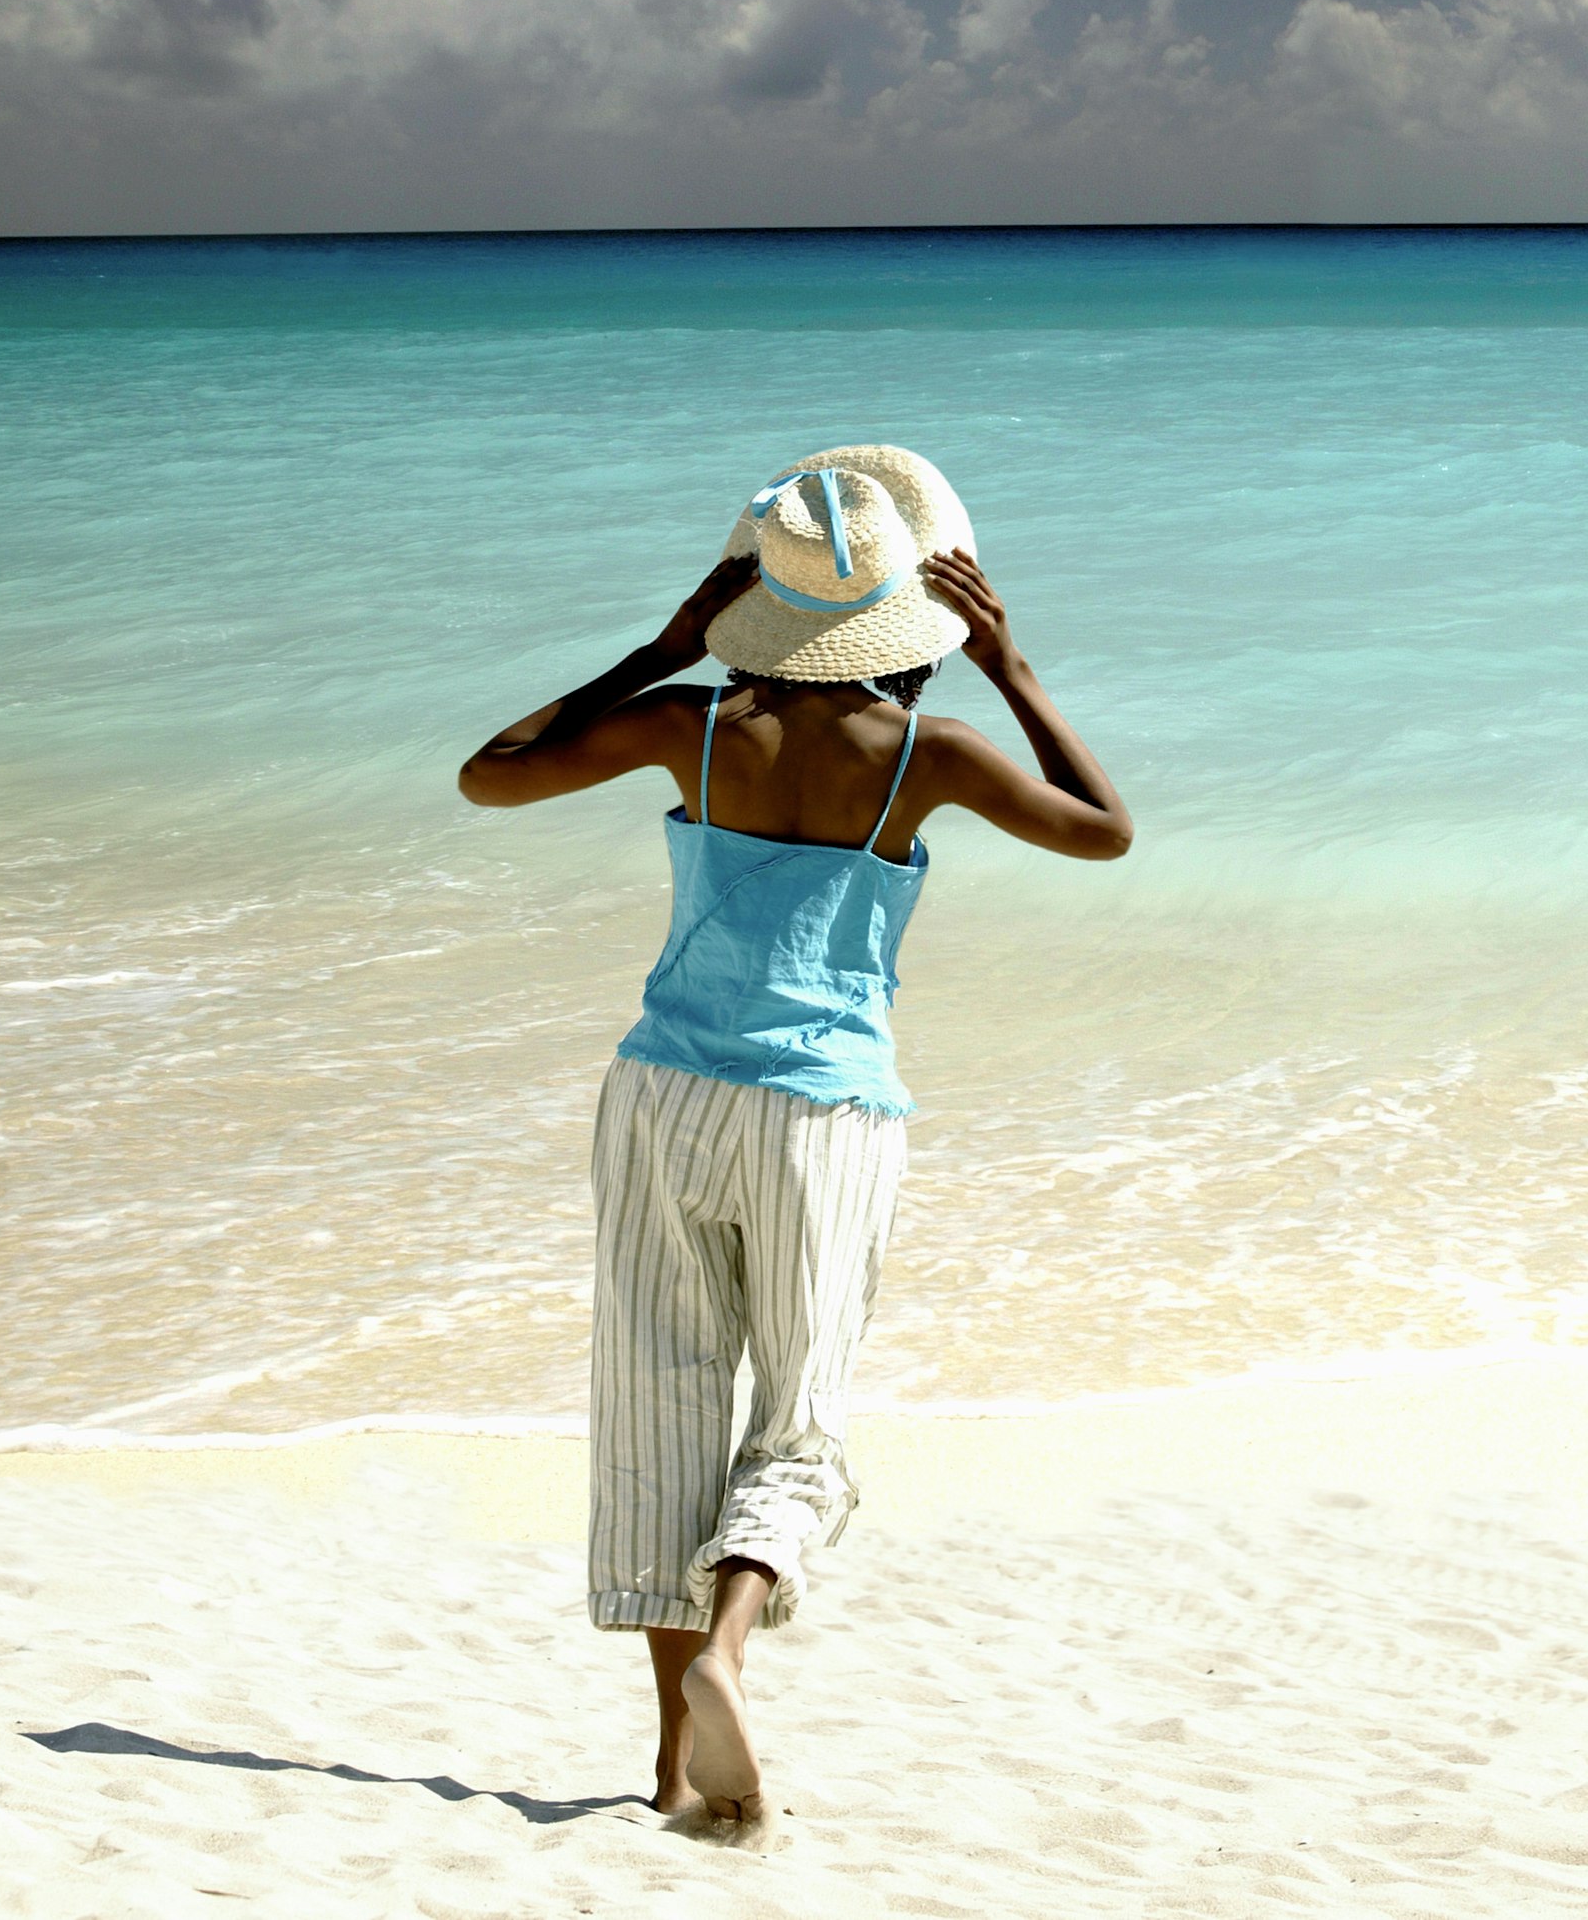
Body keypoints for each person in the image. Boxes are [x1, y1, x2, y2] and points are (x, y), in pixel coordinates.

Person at [455, 445, 1130, 1841]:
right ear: (919, 624)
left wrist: (653, 652)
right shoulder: (923, 754)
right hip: (823, 1118)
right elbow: (1105, 835)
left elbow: (489, 777)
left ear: (759, 607)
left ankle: (663, 1768)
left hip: (660, 1103)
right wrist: (1017, 673)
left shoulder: (691, 725)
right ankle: (731, 1650)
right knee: (797, 1414)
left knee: (660, 1405)